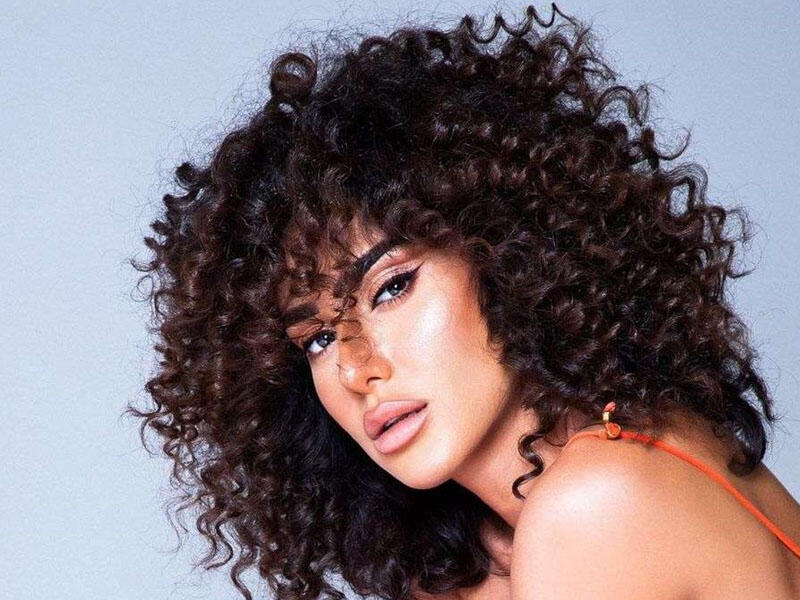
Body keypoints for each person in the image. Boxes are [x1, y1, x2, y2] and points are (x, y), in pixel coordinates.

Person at [130, 3, 800, 599]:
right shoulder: (622, 465)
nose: (356, 369)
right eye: (320, 338)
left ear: (510, 252)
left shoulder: (597, 503)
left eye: (391, 288)